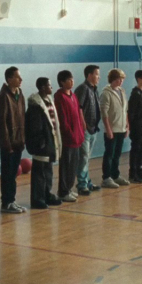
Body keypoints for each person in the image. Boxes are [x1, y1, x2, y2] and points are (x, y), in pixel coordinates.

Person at [26, 78, 62, 209]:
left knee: (48, 171)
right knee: (39, 173)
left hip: (50, 141)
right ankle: (37, 199)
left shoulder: (49, 101)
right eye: (49, 85)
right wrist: (40, 142)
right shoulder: (35, 106)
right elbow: (35, 127)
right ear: (42, 87)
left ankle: (47, 194)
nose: (51, 87)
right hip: (41, 144)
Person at [0, 66, 27, 214]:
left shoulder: (20, 94)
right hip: (9, 143)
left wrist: (23, 138)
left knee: (13, 174)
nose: (20, 79)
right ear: (9, 79)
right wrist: (6, 143)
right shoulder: (3, 97)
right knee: (7, 174)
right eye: (17, 77)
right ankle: (6, 203)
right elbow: (1, 122)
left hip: (19, 141)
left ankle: (12, 200)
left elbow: (23, 117)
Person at [54, 70, 85, 202]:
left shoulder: (73, 95)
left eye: (72, 79)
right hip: (68, 139)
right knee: (66, 166)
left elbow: (78, 114)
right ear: (62, 82)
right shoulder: (59, 97)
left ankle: (69, 188)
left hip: (77, 138)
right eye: (69, 80)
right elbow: (63, 119)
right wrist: (70, 134)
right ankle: (63, 191)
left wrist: (81, 132)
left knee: (73, 166)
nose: (72, 82)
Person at [73, 65, 102, 195]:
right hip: (85, 129)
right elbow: (78, 107)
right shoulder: (83, 88)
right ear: (89, 75)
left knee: (87, 157)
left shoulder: (94, 89)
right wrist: (83, 123)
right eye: (96, 74)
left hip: (93, 128)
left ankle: (87, 181)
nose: (99, 77)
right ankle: (82, 184)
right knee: (83, 157)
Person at [99, 68, 129, 188]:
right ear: (112, 79)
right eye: (118, 79)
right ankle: (106, 178)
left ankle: (115, 175)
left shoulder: (122, 91)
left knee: (117, 154)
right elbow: (104, 113)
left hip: (121, 128)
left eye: (122, 79)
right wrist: (108, 129)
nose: (120, 82)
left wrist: (127, 125)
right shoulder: (106, 93)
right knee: (109, 154)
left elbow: (125, 110)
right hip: (112, 129)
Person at [128, 70, 142, 183]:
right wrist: (131, 127)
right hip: (137, 127)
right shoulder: (135, 94)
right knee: (136, 149)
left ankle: (140, 170)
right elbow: (131, 112)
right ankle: (133, 172)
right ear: (139, 79)